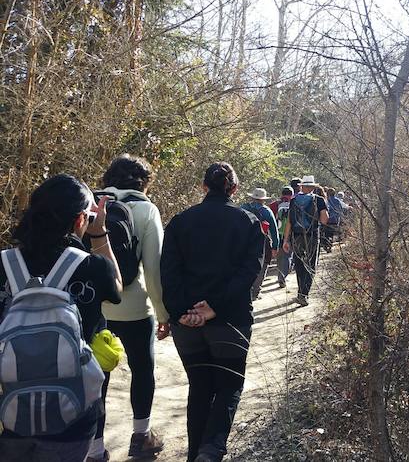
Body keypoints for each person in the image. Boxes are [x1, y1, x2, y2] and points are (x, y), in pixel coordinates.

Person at [0, 174, 122, 462]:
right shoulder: (93, 267)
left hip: (9, 411)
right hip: (73, 414)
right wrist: (100, 233)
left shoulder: (4, 264)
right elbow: (117, 288)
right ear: (81, 220)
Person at [161, 162, 264, 462]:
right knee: (230, 383)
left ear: (204, 187)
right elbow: (250, 272)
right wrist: (215, 307)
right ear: (234, 188)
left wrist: (181, 312)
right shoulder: (248, 222)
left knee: (200, 387)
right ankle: (212, 448)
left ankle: (196, 455)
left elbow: (168, 272)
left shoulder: (180, 222)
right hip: (230, 320)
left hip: (187, 324)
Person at [90, 155, 168, 461]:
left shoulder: (91, 204)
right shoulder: (146, 209)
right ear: (144, 182)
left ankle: (95, 449)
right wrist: (163, 314)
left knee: (96, 378)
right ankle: (141, 437)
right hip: (135, 307)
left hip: (95, 309)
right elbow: (154, 268)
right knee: (142, 369)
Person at [282, 175, 328, 307]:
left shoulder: (294, 200)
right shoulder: (319, 200)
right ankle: (304, 294)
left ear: (302, 187)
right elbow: (324, 220)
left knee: (299, 265)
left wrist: (286, 240)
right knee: (311, 265)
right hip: (312, 236)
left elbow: (289, 222)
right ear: (313, 187)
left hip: (296, 236)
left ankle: (300, 292)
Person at [241, 188, 280, 299]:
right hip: (263, 241)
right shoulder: (267, 211)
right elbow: (274, 230)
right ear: (263, 200)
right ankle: (256, 291)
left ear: (252, 198)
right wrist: (275, 246)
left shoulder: (243, 208)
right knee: (263, 265)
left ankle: (246, 289)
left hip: (245, 241)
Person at [269, 186, 294, 287]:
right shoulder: (294, 203)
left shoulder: (274, 205)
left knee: (280, 256)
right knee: (288, 255)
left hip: (277, 233)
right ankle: (283, 276)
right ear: (291, 194)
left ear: (281, 194)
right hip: (290, 233)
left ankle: (281, 275)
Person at [323, 187, 350, 251]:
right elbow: (345, 206)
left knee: (327, 233)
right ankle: (330, 244)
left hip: (327, 219)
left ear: (327, 194)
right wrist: (349, 207)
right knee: (332, 233)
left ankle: (327, 245)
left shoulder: (326, 201)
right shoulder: (338, 200)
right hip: (336, 219)